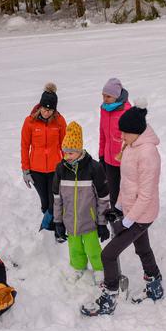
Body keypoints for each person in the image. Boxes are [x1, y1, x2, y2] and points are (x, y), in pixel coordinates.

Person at [81, 100, 163, 316]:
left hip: (141, 214)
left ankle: (109, 297)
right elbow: (127, 184)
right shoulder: (131, 146)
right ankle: (155, 285)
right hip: (131, 210)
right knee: (142, 248)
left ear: (135, 132)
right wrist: (117, 207)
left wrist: (126, 221)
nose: (121, 137)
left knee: (108, 254)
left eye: (124, 133)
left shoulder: (148, 155)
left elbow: (145, 196)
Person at [52, 121, 111, 283]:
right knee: (75, 248)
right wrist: (58, 221)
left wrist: (102, 222)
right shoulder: (61, 169)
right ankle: (78, 267)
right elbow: (57, 198)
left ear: (79, 150)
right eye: (65, 153)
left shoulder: (94, 168)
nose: (67, 157)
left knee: (93, 248)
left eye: (71, 153)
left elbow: (103, 198)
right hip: (70, 220)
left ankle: (99, 269)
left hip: (89, 221)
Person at [20, 82, 67, 237]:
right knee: (45, 203)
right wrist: (25, 169)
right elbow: (25, 146)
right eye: (45, 109)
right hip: (36, 170)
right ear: (40, 107)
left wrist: (67, 166)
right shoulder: (30, 122)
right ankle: (49, 228)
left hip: (55, 169)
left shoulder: (59, 121)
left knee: (54, 201)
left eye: (50, 110)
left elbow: (64, 146)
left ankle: (54, 230)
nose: (47, 113)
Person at [98, 78, 131, 209]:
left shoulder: (127, 111)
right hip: (109, 160)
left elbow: (133, 139)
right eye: (103, 96)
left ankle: (129, 220)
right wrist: (101, 155)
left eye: (108, 96)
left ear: (117, 96)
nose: (105, 99)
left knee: (127, 193)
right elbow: (102, 134)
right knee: (113, 193)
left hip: (125, 161)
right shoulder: (104, 109)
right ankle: (116, 220)